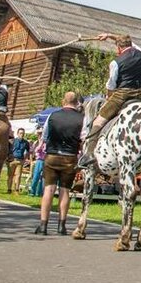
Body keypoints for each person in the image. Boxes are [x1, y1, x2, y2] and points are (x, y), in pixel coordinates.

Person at [78, 33, 141, 168]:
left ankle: (89, 154)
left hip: (122, 94)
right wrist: (110, 35)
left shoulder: (115, 62)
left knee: (98, 120)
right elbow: (126, 42)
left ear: (118, 48)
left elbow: (111, 85)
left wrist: (108, 97)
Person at [36, 92, 84, 235]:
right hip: (70, 157)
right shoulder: (82, 118)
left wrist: (41, 146)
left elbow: (44, 136)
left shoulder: (53, 115)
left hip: (52, 155)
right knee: (65, 191)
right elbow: (84, 138)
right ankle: (61, 226)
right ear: (77, 103)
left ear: (64, 101)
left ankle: (43, 225)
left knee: (48, 190)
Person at [6, 128, 30, 194]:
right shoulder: (12, 141)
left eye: (23, 133)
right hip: (12, 160)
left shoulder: (26, 142)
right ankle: (9, 189)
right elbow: (6, 150)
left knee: (18, 175)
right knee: (10, 175)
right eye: (20, 133)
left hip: (20, 160)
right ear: (17, 133)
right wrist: (7, 158)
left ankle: (16, 190)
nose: (22, 135)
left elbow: (28, 151)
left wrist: (24, 159)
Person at [28, 128, 47, 197]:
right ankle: (32, 191)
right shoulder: (36, 142)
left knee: (43, 178)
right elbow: (35, 151)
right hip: (39, 160)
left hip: (45, 160)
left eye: (41, 134)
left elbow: (46, 151)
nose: (40, 135)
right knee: (36, 176)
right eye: (39, 134)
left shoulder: (46, 142)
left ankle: (40, 192)